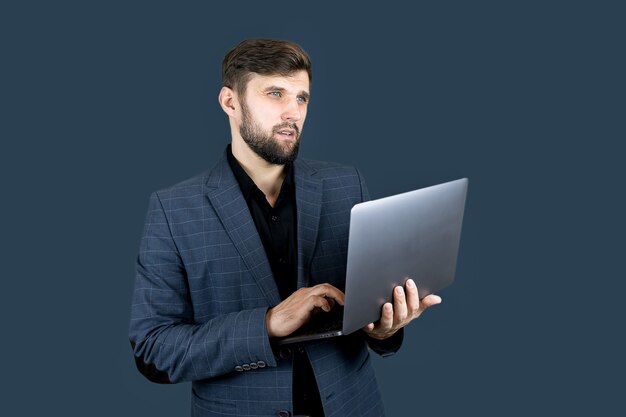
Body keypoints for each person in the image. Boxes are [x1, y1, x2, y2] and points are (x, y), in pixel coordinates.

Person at [129, 38, 441, 417]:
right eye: (276, 93)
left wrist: (386, 329)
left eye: (302, 98)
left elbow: (369, 309)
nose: (293, 112)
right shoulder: (173, 210)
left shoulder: (348, 185)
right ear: (230, 102)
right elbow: (153, 350)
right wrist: (267, 325)